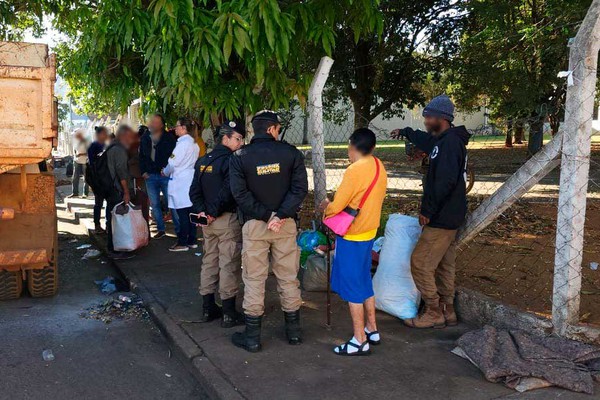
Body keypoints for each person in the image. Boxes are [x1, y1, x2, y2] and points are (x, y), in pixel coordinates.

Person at [229, 110, 308, 353]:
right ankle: (293, 333)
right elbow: (300, 188)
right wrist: (281, 214)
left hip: (255, 225)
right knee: (288, 276)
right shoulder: (291, 153)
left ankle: (252, 337)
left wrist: (266, 216)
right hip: (285, 225)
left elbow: (240, 194)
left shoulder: (240, 156)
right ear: (273, 129)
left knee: (254, 278)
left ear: (254, 130)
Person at [390, 94, 469, 329]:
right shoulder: (444, 140)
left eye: (428, 118)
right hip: (449, 214)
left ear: (441, 118)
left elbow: (443, 183)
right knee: (444, 263)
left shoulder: (449, 144)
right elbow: (426, 141)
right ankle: (448, 310)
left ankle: (434, 311)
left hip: (442, 215)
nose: (425, 122)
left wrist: (428, 210)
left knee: (420, 262)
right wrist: (405, 131)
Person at [319, 128, 388, 356]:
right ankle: (372, 328)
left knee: (352, 287)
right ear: (372, 147)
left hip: (353, 234)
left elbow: (338, 205)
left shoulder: (354, 170)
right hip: (370, 231)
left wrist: (326, 208)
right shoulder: (378, 165)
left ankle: (359, 339)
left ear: (351, 146)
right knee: (364, 278)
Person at [190, 120, 245, 328]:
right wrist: (212, 212)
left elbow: (193, 191)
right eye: (237, 138)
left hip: (206, 222)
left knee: (209, 261)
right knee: (228, 263)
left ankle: (207, 308)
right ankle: (229, 314)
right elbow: (229, 191)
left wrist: (202, 211)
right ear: (225, 138)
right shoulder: (232, 161)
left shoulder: (203, 160)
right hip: (225, 220)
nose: (240, 143)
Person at [162, 117, 200, 252]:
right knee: (191, 213)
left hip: (180, 182)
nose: (175, 128)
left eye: (177, 126)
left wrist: (165, 172)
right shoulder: (194, 144)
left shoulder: (182, 144)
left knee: (182, 213)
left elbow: (172, 163)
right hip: (189, 180)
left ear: (184, 128)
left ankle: (182, 242)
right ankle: (192, 240)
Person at [140, 114, 177, 239]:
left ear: (161, 125)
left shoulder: (169, 138)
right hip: (150, 176)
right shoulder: (145, 137)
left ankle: (179, 230)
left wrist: (169, 170)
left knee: (171, 202)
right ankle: (161, 229)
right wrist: (143, 171)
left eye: (155, 122)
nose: (152, 123)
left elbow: (174, 156)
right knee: (154, 204)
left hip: (165, 175)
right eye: (151, 121)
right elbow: (141, 156)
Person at [106, 125, 137, 260]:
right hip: (118, 189)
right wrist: (126, 192)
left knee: (112, 218)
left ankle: (112, 247)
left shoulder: (109, 148)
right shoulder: (119, 150)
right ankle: (120, 249)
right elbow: (122, 173)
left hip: (110, 188)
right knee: (121, 220)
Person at [88, 126, 109, 233]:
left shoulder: (106, 145)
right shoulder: (93, 146)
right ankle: (97, 225)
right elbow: (92, 165)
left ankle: (107, 225)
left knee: (107, 203)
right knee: (99, 203)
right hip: (98, 180)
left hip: (106, 179)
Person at [69, 129, 89, 198]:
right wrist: (75, 156)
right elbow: (74, 150)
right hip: (76, 160)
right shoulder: (75, 141)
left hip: (85, 161)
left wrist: (81, 154)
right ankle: (75, 193)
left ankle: (85, 193)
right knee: (75, 177)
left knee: (86, 178)